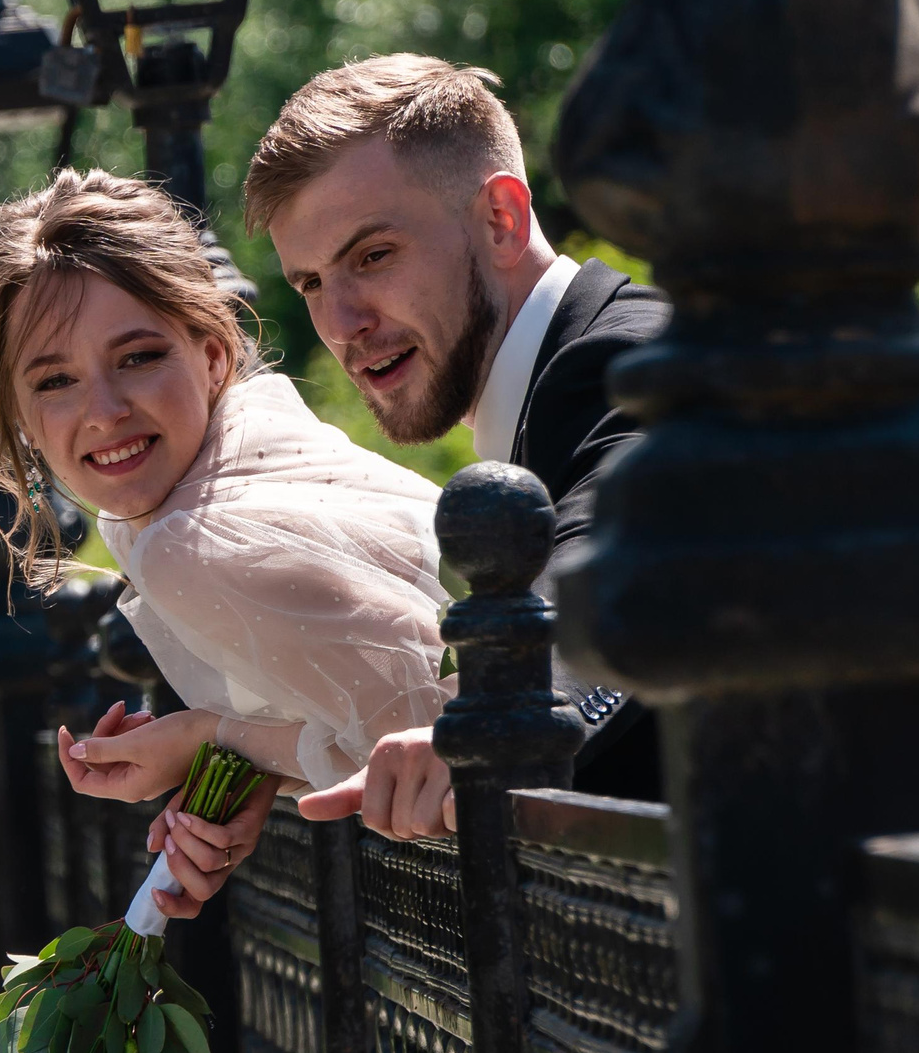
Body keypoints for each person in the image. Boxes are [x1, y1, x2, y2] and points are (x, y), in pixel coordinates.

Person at [0, 168, 453, 919]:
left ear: (214, 356)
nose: (104, 411)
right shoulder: (253, 438)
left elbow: (421, 743)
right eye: (56, 380)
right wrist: (245, 765)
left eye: (138, 358)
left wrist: (214, 736)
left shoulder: (187, 542)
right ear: (24, 419)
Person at [243, 54, 669, 844]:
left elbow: (615, 575)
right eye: (309, 284)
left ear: (501, 219)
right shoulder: (552, 390)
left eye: (372, 257)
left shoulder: (630, 368)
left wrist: (493, 725)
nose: (341, 322)